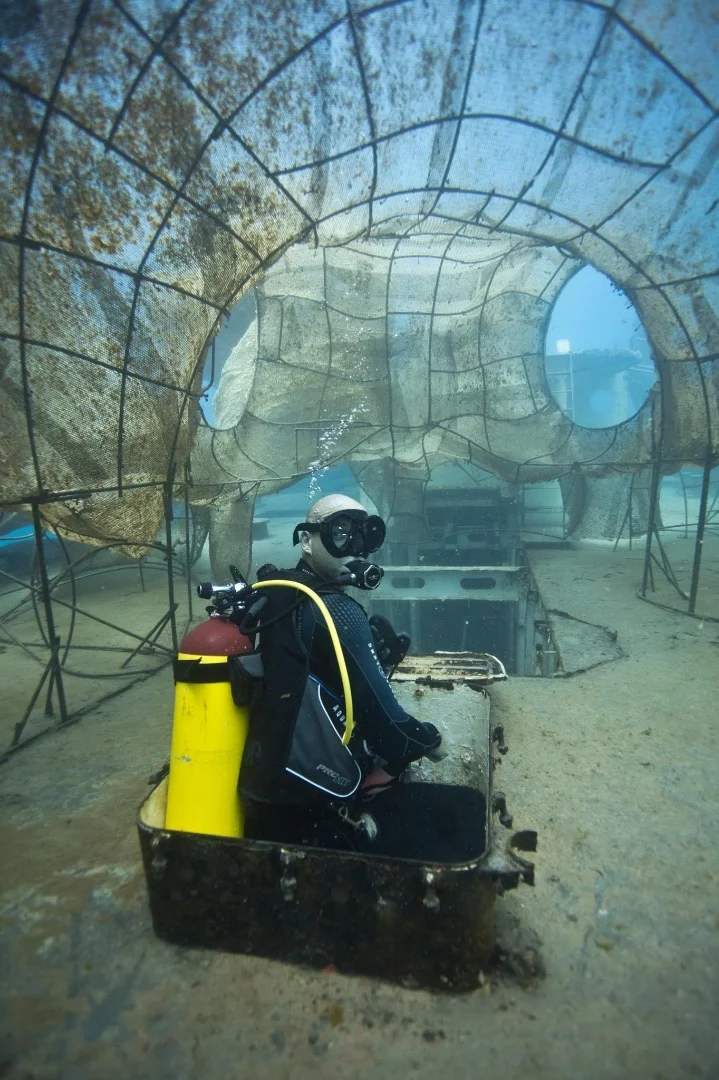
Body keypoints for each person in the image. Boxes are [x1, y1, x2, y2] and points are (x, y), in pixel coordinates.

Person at [238, 493, 445, 850]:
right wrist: (429, 741)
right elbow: (390, 729)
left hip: (261, 786)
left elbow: (304, 671)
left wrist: (375, 661)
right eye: (341, 531)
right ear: (306, 540)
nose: (357, 547)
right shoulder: (339, 612)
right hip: (308, 807)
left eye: (366, 535)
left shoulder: (279, 591)